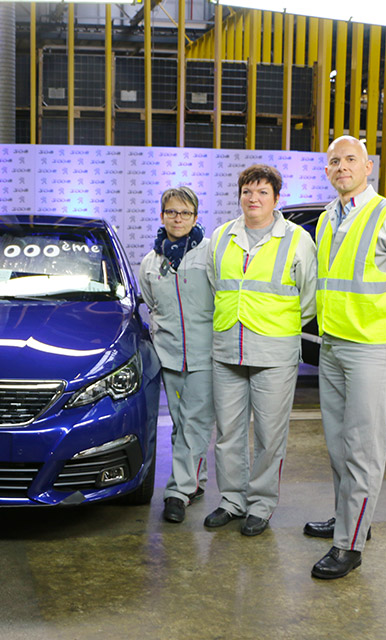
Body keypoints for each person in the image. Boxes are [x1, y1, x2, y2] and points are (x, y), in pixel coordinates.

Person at [306, 136, 386, 579]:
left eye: (350, 160)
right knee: (340, 445)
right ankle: (349, 517)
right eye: (334, 161)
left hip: (370, 351)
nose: (342, 166)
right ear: (327, 171)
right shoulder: (326, 219)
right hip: (334, 349)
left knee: (363, 449)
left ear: (368, 167)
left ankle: (349, 544)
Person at [204, 164, 317, 536]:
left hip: (274, 353)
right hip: (227, 349)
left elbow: (309, 298)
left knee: (269, 435)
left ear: (276, 198)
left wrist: (273, 324)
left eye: (262, 192)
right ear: (239, 196)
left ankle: (261, 504)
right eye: (247, 192)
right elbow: (213, 286)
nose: (253, 199)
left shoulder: (297, 239)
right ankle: (232, 500)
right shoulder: (221, 237)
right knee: (228, 433)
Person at [138, 186, 214, 524]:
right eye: (171, 212)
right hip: (168, 355)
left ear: (196, 217)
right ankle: (196, 480)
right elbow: (151, 304)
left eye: (184, 213)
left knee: (193, 422)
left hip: (204, 354)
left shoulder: (210, 254)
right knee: (184, 423)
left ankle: (177, 491)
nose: (178, 218)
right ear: (161, 216)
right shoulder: (151, 262)